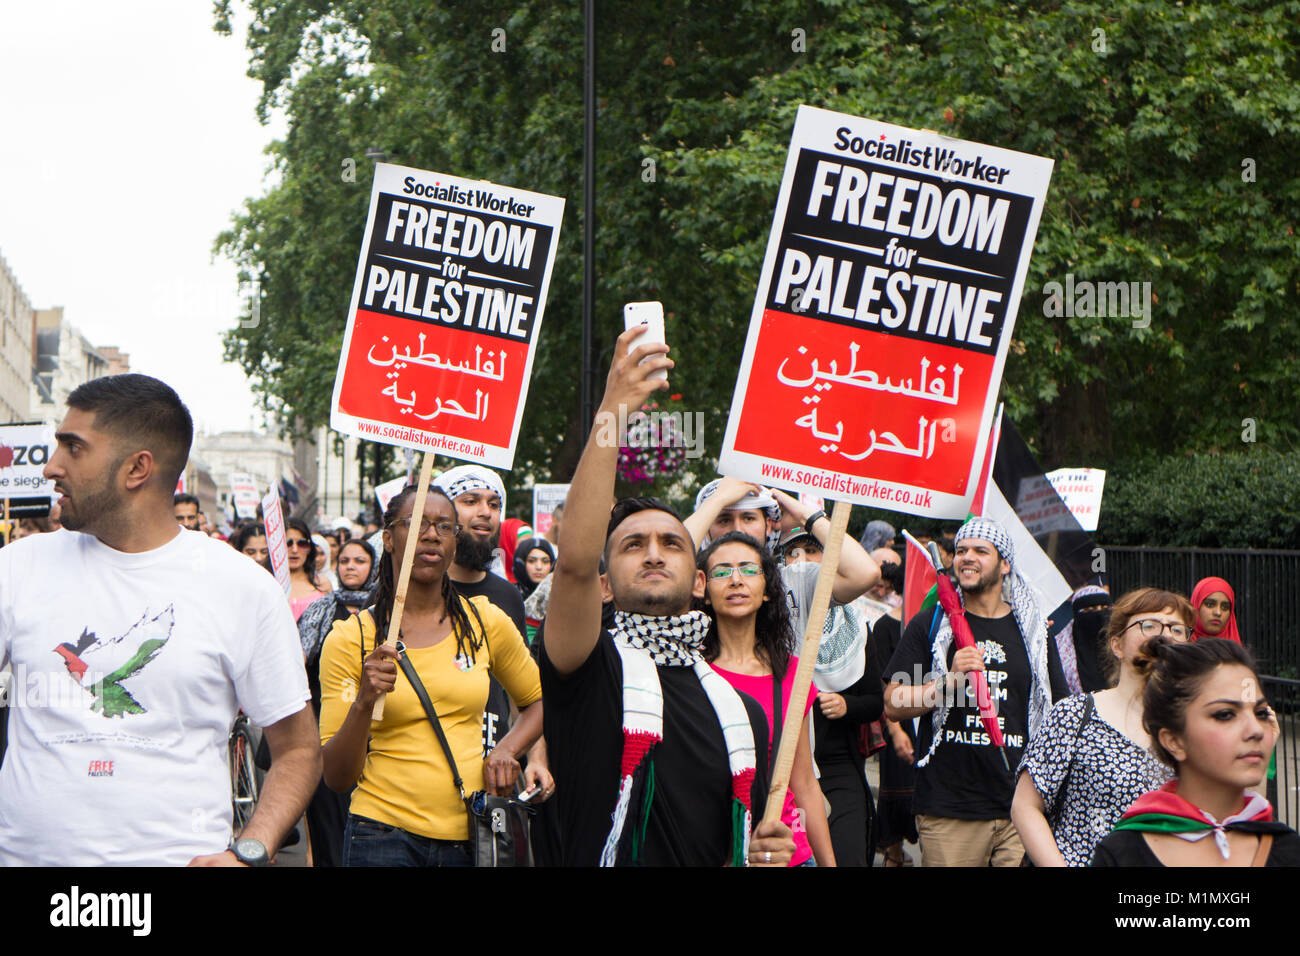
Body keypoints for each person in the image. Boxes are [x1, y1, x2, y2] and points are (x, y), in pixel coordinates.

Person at [0, 373, 318, 865]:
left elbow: (297, 749)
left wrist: (249, 850)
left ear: (136, 469)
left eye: (73, 448)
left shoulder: (241, 587)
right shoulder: (16, 568)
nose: (51, 467)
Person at [540, 325, 795, 866]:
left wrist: (763, 852)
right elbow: (575, 564)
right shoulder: (589, 667)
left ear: (699, 582)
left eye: (672, 544)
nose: (654, 553)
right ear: (606, 585)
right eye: (633, 545)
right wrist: (612, 409)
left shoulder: (744, 713)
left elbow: (738, 846)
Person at [319, 484, 547, 866]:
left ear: (454, 545)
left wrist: (508, 750)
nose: (431, 534)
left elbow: (540, 701)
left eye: (444, 527)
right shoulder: (351, 637)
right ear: (388, 539)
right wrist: (363, 701)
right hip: (381, 835)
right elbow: (337, 777)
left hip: (471, 838)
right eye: (417, 523)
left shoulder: (485, 621)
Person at [884, 516, 1070, 867]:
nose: (967, 557)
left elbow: (1060, 712)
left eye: (980, 551)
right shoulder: (932, 625)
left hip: (1021, 809)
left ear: (1005, 565)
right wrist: (947, 683)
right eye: (961, 550)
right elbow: (893, 702)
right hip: (949, 810)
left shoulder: (1034, 633)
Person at [1013, 588, 1191, 866]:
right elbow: (1025, 806)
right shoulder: (1074, 715)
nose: (1164, 635)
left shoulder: (1195, 728)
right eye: (1149, 625)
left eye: (1176, 629)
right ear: (1117, 644)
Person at [1092, 637, 1298, 866]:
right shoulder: (1122, 855)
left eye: (1260, 713)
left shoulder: (1289, 850)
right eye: (1225, 714)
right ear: (1174, 741)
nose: (1256, 730)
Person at [698, 531, 836, 867]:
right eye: (721, 571)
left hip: (786, 854)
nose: (735, 580)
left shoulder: (792, 673)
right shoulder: (688, 672)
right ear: (701, 589)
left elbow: (803, 782)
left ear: (767, 592)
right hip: (709, 849)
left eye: (748, 569)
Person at [686, 478, 879, 648]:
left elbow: (864, 574)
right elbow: (673, 557)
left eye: (748, 518)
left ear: (768, 525)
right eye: (723, 519)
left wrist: (804, 516)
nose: (738, 529)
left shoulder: (796, 579)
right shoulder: (693, 583)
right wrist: (716, 501)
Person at [433, 465, 529, 757]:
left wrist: (535, 757)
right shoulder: (402, 595)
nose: (485, 512)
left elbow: (523, 695)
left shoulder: (508, 596)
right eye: (470, 501)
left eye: (494, 504)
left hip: (490, 766)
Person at [296, 538, 379, 867]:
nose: (350, 566)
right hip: (326, 727)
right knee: (329, 822)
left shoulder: (386, 608)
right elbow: (298, 661)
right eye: (344, 560)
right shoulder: (322, 607)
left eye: (360, 560)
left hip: (376, 733)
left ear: (373, 565)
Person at [870, 559, 917, 867]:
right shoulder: (886, 627)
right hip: (898, 726)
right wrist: (896, 730)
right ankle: (894, 856)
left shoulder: (936, 626)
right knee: (897, 798)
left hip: (930, 726)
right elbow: (882, 684)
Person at [1054, 585, 1113, 694]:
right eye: (1090, 610)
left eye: (1105, 609)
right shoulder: (1060, 651)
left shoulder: (1122, 646)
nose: (1099, 614)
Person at [287, 518, 330, 622]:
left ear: (309, 548)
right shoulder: (268, 582)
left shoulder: (323, 584)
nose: (294, 550)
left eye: (302, 543)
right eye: (288, 543)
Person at [514, 536, 555, 644]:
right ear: (521, 562)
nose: (539, 567)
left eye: (545, 561)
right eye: (532, 561)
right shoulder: (509, 595)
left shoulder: (559, 598)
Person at [1191, 576, 1240, 643]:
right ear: (1196, 605)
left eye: (1225, 607)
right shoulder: (1179, 648)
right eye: (1210, 605)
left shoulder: (1236, 652)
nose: (1218, 612)